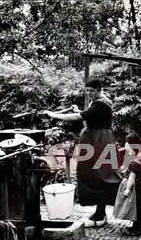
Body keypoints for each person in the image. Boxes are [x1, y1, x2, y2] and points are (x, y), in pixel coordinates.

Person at [44, 78, 122, 228]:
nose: (89, 94)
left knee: (101, 175)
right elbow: (89, 115)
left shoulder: (101, 104)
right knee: (95, 174)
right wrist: (79, 110)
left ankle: (101, 213)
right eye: (87, 91)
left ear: (100, 89)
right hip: (98, 140)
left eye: (92, 91)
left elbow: (78, 117)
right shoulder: (99, 102)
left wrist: (53, 115)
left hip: (99, 141)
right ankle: (100, 212)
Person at [113, 132, 141, 236]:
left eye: (128, 144)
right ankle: (137, 227)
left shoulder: (135, 162)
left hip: (136, 186)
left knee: (136, 207)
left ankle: (137, 229)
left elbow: (132, 177)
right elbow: (126, 149)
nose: (127, 146)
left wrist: (127, 189)